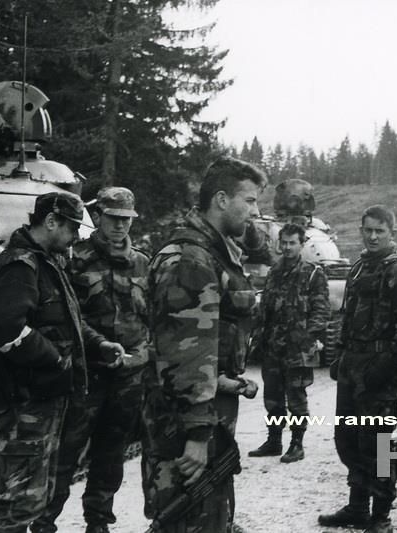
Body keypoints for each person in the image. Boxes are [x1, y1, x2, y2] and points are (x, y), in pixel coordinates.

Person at [0, 191, 122, 533]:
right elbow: (5, 327)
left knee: (32, 496)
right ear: (50, 222)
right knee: (16, 499)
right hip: (24, 402)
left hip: (43, 401)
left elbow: (67, 321)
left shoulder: (48, 262)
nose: (77, 236)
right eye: (73, 228)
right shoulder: (21, 266)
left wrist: (98, 344)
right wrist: (56, 359)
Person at [142, 156, 266, 532]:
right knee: (188, 519)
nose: (256, 212)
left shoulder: (213, 251)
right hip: (186, 424)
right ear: (223, 200)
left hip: (205, 412)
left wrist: (226, 382)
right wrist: (198, 435)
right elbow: (187, 353)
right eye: (251, 200)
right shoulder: (191, 259)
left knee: (210, 515)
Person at [31, 187, 150, 533]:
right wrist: (98, 348)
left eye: (126, 220)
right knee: (64, 454)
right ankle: (44, 521)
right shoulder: (74, 259)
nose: (120, 226)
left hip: (128, 377)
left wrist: (141, 357)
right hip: (87, 376)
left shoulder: (143, 262)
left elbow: (151, 320)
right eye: (113, 219)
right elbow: (66, 316)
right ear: (98, 218)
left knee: (111, 454)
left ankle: (98, 521)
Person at [317, 205, 397, 533]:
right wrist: (340, 355)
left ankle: (381, 515)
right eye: (368, 230)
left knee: (379, 445)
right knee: (347, 439)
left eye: (380, 231)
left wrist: (387, 365)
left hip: (379, 371)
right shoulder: (360, 265)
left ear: (392, 233)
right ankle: (358, 505)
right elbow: (348, 315)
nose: (373, 236)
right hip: (352, 367)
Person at [248, 222, 330, 463]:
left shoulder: (313, 273)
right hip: (273, 345)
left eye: (292, 243)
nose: (286, 247)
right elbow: (266, 308)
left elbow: (321, 309)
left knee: (296, 397)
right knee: (272, 397)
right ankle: (274, 440)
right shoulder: (274, 271)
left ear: (302, 244)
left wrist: (310, 338)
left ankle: (297, 443)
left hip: (298, 347)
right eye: (283, 243)